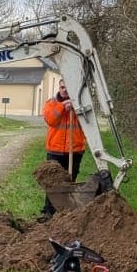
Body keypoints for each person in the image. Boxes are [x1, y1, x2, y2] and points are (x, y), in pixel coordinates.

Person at [40, 78, 86, 218]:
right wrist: (62, 107)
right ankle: (49, 211)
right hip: (55, 150)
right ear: (59, 88)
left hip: (75, 149)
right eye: (62, 87)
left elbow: (87, 121)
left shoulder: (81, 102)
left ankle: (66, 212)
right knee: (53, 182)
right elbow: (50, 120)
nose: (64, 90)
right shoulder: (51, 103)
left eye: (67, 87)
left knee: (70, 181)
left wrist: (75, 107)